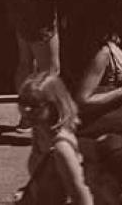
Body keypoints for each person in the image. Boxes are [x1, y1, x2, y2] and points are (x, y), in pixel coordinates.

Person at [67, 0, 122, 141]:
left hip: (109, 137)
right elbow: (82, 101)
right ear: (113, 11)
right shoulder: (102, 53)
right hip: (102, 139)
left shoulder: (106, 43)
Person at [18, 72, 94, 205]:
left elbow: (82, 198)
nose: (26, 109)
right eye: (22, 102)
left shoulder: (61, 149)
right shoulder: (39, 130)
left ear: (53, 106)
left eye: (34, 104)